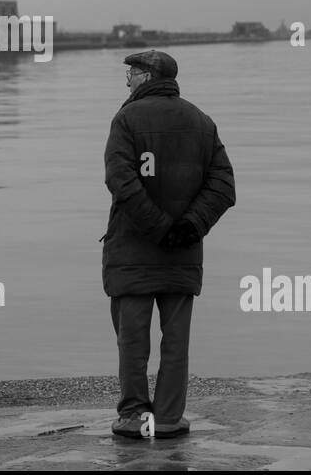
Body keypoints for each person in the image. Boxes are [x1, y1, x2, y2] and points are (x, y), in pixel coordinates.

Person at [100, 49, 235, 438]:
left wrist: (158, 228)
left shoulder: (126, 119)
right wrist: (188, 227)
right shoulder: (201, 122)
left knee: (133, 342)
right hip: (183, 254)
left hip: (132, 253)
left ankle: (134, 419)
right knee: (176, 342)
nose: (126, 82)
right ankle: (170, 419)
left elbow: (121, 182)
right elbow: (224, 186)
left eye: (130, 74)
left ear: (144, 76)